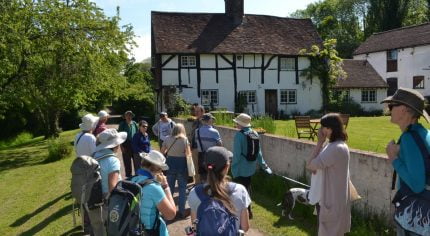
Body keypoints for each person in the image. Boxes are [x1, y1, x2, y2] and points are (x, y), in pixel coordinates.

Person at [381, 88, 430, 236]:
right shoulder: (424, 133)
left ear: (403, 110)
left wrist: (393, 158)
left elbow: (416, 184)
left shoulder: (409, 138)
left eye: (391, 106)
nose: (388, 109)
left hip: (415, 218)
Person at [188, 146, 251, 233]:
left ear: (206, 167)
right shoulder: (240, 190)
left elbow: (195, 227)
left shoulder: (194, 193)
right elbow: (245, 227)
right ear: (227, 167)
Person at [306, 113, 351, 236]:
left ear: (330, 129)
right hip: (328, 199)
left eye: (323, 127)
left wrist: (319, 142)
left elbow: (309, 164)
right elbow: (316, 166)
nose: (320, 130)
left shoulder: (336, 148)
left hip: (331, 201)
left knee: (330, 232)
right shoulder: (333, 146)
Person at [231, 113, 271, 219]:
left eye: (237, 123)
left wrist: (233, 168)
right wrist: (264, 166)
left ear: (241, 124)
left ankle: (245, 212)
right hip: (250, 167)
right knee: (247, 187)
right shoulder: (255, 133)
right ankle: (249, 210)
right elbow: (259, 152)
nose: (236, 125)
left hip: (240, 168)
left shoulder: (239, 135)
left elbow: (236, 154)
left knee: (241, 190)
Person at [90, 128, 127, 236]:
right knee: (112, 228)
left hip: (92, 198)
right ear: (114, 145)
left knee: (98, 229)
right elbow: (112, 187)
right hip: (107, 199)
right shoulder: (113, 160)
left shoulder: (94, 156)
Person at [131, 150, 176, 236]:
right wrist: (166, 187)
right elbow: (171, 215)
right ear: (157, 168)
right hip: (151, 232)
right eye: (161, 169)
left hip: (133, 229)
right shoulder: (154, 187)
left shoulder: (132, 180)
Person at [160, 123, 191, 219]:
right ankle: (182, 211)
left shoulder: (167, 139)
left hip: (170, 164)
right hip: (182, 165)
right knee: (182, 189)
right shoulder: (185, 140)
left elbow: (162, 152)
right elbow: (188, 154)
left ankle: (168, 211)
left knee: (169, 189)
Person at [194, 113, 222, 182]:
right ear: (210, 120)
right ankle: (210, 189)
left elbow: (196, 141)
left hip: (201, 157)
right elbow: (220, 145)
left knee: (202, 175)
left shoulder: (197, 131)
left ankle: (203, 188)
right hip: (211, 158)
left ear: (202, 121)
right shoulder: (215, 132)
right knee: (211, 174)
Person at [118, 110, 139, 177]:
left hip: (134, 144)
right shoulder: (122, 124)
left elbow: (137, 134)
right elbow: (119, 136)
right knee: (127, 162)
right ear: (125, 116)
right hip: (125, 144)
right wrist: (121, 146)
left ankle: (137, 175)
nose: (129, 116)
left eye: (130, 115)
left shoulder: (134, 123)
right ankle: (129, 176)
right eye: (127, 115)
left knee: (136, 161)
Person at [190, 105, 205, 183]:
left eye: (197, 111)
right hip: (195, 147)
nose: (195, 113)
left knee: (204, 166)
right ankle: (197, 183)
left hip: (203, 148)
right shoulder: (195, 121)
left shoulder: (206, 122)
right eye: (195, 111)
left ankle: (204, 183)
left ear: (202, 112)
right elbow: (192, 134)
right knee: (195, 166)